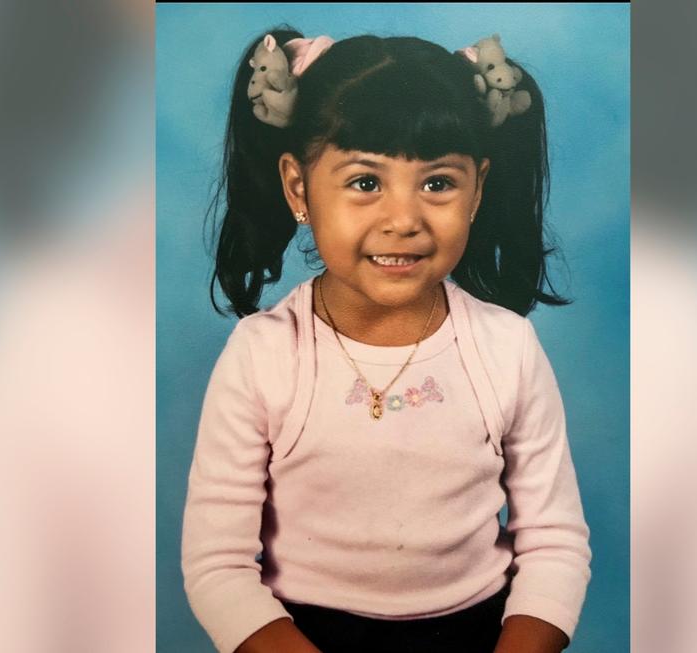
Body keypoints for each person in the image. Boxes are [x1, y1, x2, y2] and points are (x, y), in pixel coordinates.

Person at [181, 28, 592, 653]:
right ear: (298, 187)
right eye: (366, 182)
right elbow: (218, 566)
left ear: (478, 189)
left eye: (437, 183)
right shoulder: (263, 355)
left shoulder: (507, 347)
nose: (403, 220)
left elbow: (555, 545)